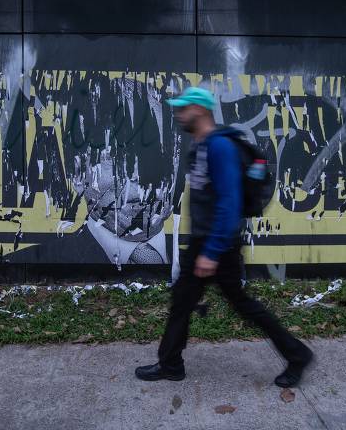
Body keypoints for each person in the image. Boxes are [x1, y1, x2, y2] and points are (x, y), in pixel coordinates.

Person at [134, 86, 314, 388]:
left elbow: (229, 202)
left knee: (241, 304)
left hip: (217, 245)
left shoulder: (219, 148)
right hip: (206, 242)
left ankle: (297, 355)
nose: (178, 114)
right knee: (183, 300)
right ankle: (171, 363)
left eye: (184, 108)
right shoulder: (202, 146)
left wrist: (212, 251)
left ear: (201, 110)